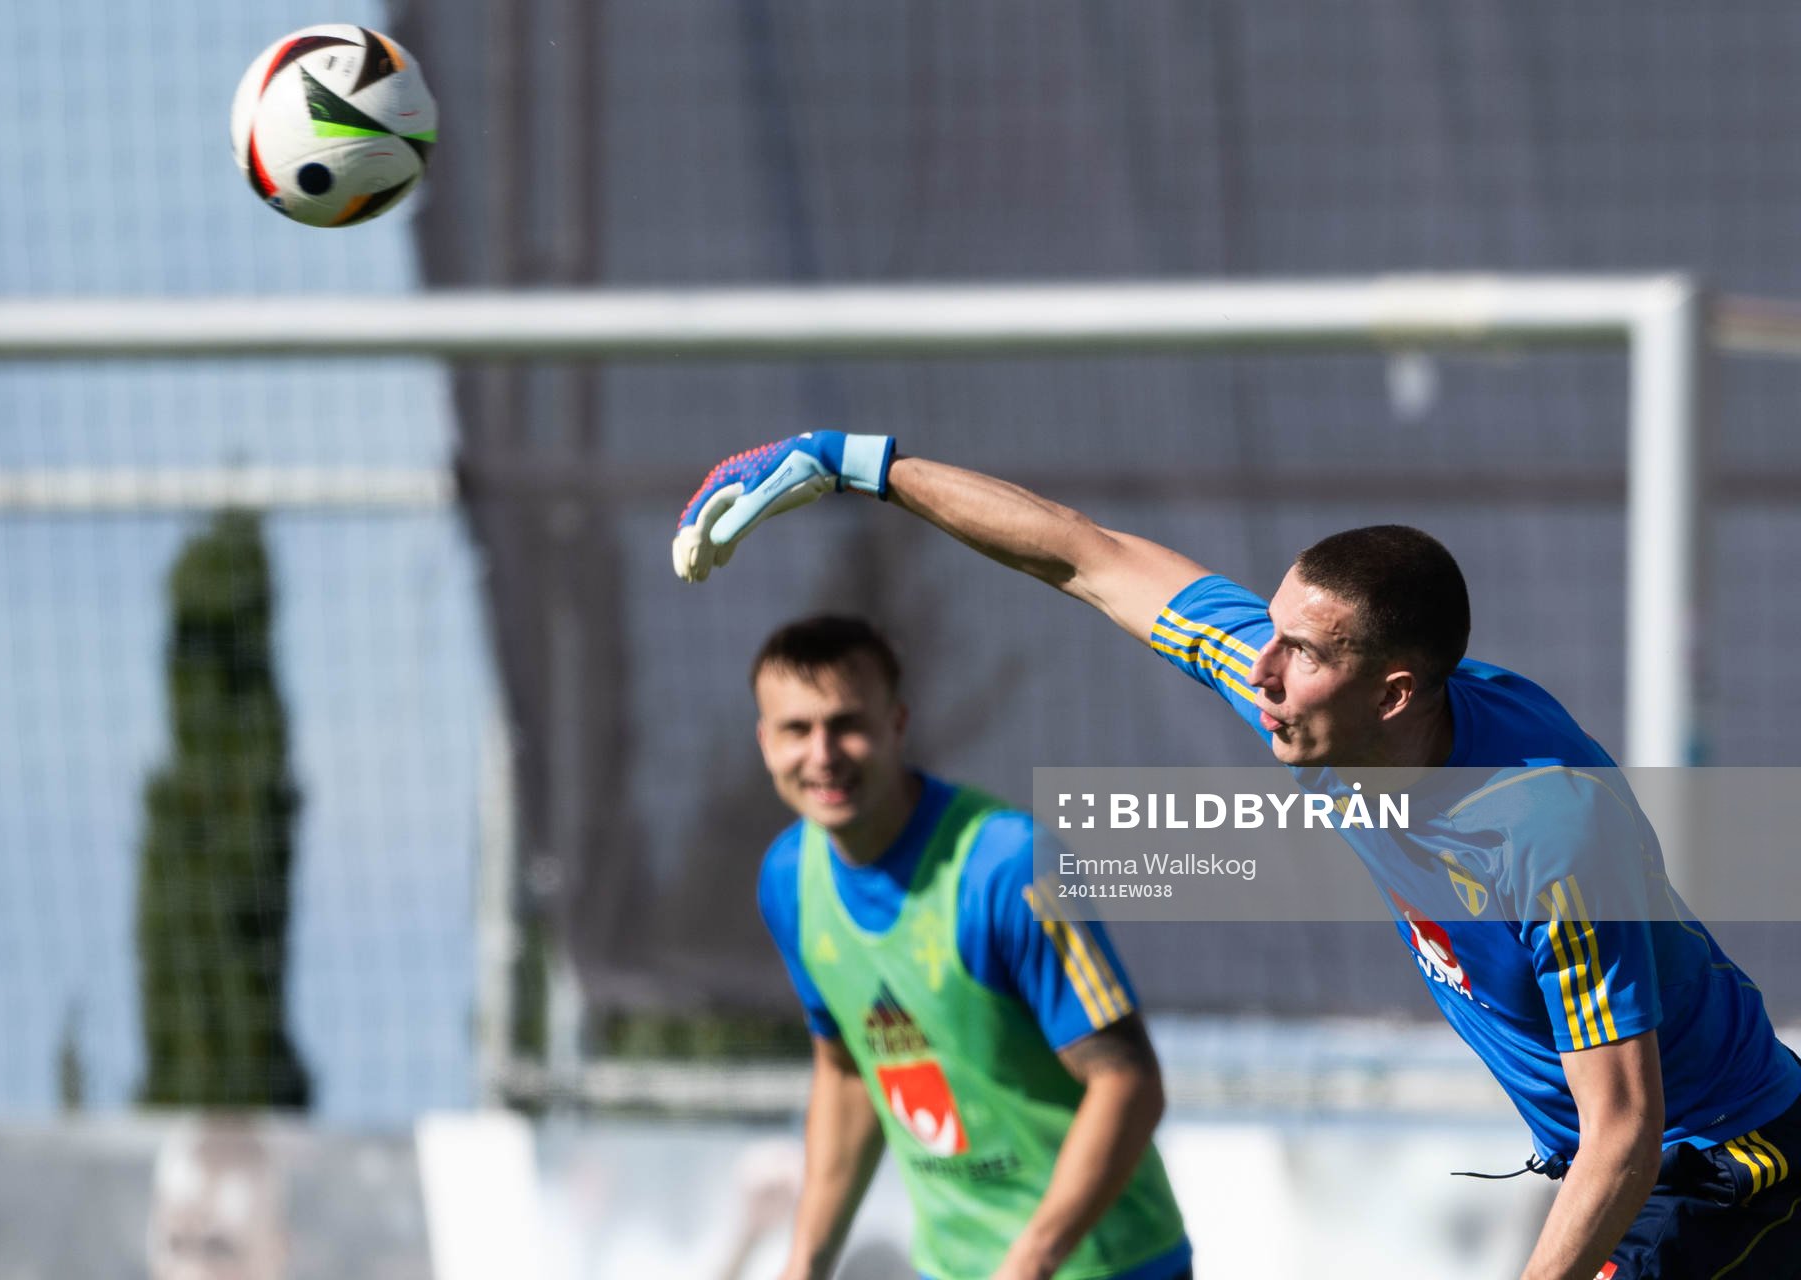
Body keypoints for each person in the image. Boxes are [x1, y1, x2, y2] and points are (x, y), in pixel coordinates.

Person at [675, 433, 1801, 1280]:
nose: (1259, 669)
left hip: (1720, 1162)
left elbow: (1624, 1128)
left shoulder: (1547, 830)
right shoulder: (1309, 699)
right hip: (1628, 1162)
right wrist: (858, 463)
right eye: (1270, 628)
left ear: (1393, 693)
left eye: (1299, 652)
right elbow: (1081, 555)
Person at [747, 614, 1192, 1280]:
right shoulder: (788, 879)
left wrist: (1030, 1263)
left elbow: (1128, 1082)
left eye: (846, 724)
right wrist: (804, 1265)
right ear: (765, 741)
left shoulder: (1007, 865)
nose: (823, 754)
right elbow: (847, 1070)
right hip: (951, 1267)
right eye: (796, 730)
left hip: (1107, 1266)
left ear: (896, 724)